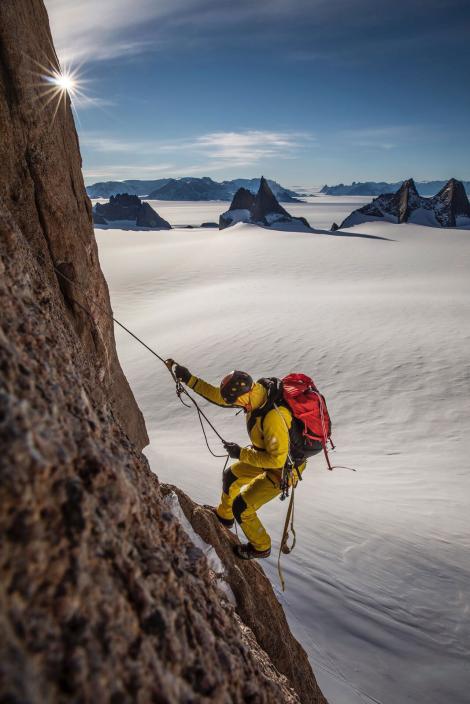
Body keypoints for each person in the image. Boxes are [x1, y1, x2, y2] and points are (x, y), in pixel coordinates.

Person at [173, 364, 306, 560]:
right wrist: (189, 379)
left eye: (236, 402)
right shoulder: (254, 392)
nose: (235, 406)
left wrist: (240, 453)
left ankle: (261, 547)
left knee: (242, 507)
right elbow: (220, 397)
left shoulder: (272, 418)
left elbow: (276, 459)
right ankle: (224, 517)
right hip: (264, 455)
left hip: (284, 469)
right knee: (231, 476)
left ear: (243, 395)